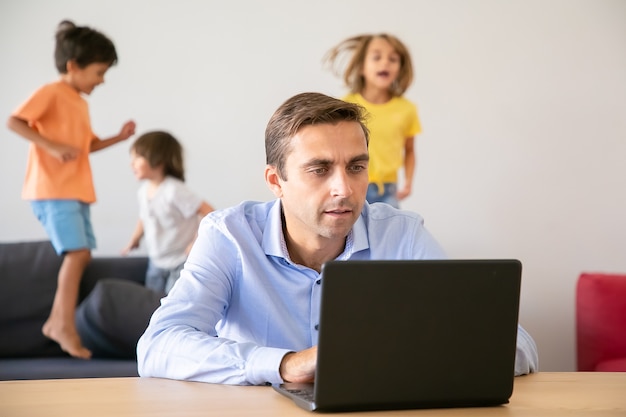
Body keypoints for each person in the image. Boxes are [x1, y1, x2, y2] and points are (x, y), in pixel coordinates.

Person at [136, 92, 538, 385]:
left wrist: (402, 357)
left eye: (356, 166)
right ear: (276, 180)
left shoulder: (401, 235)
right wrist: (285, 364)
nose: (344, 189)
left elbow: (516, 345)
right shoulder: (229, 235)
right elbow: (158, 345)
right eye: (320, 169)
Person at [6, 20, 136, 359]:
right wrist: (49, 146)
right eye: (98, 72)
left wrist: (118, 138)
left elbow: (84, 147)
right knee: (76, 254)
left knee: (82, 254)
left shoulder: (79, 102)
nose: (102, 80)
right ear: (73, 66)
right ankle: (60, 325)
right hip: (52, 189)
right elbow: (14, 121)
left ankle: (56, 322)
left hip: (75, 190)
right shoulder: (51, 93)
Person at [324, 33, 420, 208]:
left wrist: (408, 182)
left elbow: (410, 149)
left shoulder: (407, 109)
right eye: (377, 57)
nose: (385, 63)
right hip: (352, 183)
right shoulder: (345, 105)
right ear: (361, 67)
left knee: (387, 233)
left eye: (393, 59)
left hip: (388, 189)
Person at [121, 131, 215, 294]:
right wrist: (135, 238)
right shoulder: (143, 191)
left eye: (137, 158)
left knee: (172, 303)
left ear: (157, 160)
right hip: (156, 261)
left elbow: (209, 212)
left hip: (180, 261)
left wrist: (195, 242)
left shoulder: (173, 190)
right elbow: (144, 217)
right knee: (151, 305)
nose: (132, 164)